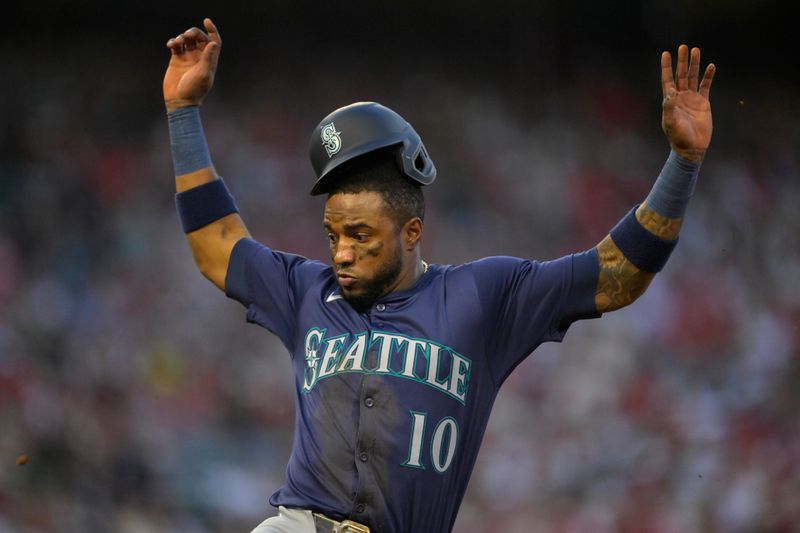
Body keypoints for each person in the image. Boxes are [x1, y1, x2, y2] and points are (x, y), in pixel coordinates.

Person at [163, 18, 715, 533]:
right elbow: (217, 244)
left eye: (360, 235)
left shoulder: (480, 298)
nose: (341, 254)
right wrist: (183, 112)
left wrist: (682, 165)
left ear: (411, 232)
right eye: (333, 236)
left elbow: (618, 273)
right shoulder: (306, 290)